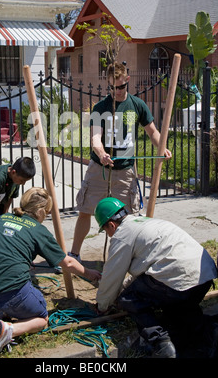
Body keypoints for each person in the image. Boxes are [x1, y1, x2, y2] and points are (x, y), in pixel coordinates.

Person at [0, 187, 101, 357]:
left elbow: (1, 250)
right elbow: (68, 262)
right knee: (41, 317)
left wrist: (24, 259)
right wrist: (89, 273)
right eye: (48, 212)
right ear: (42, 211)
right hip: (6, 292)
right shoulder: (38, 230)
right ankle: (9, 330)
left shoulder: (2, 219)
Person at [69, 62, 172, 261]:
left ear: (127, 80)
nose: (117, 91)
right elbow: (95, 138)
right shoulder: (101, 108)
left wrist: (162, 148)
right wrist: (101, 153)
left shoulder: (137, 105)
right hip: (99, 169)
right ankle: (74, 254)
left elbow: (152, 132)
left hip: (125, 172)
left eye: (121, 86)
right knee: (85, 211)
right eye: (113, 87)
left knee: (129, 217)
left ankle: (127, 256)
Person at [94, 197, 218, 358]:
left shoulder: (122, 235)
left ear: (111, 225)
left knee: (128, 299)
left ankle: (161, 344)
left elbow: (112, 276)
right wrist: (125, 286)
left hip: (178, 281)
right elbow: (144, 273)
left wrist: (103, 305)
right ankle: (211, 330)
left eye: (106, 231)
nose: (109, 235)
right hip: (203, 278)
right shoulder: (146, 223)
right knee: (177, 310)